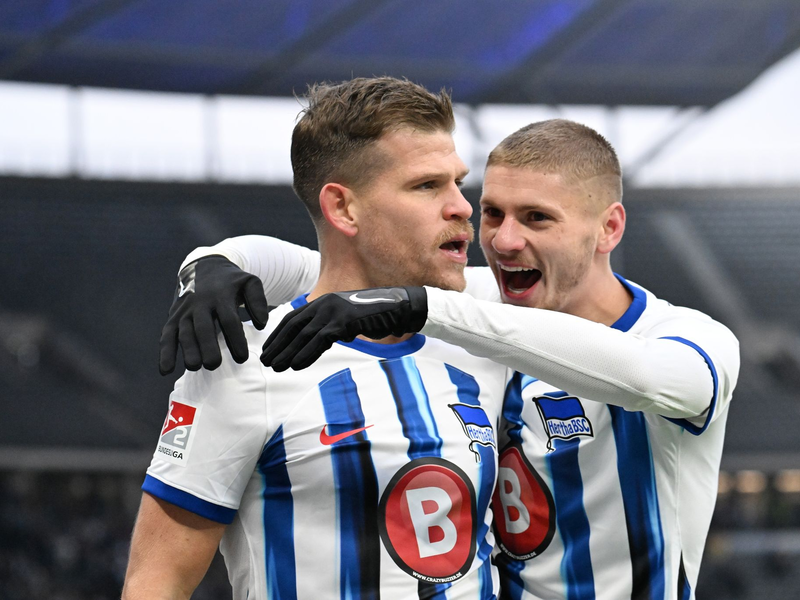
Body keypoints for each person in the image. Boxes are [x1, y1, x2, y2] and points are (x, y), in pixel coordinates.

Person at [161, 119, 740, 600]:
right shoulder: (490, 303)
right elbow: (321, 268)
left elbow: (646, 379)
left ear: (608, 227)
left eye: (536, 218)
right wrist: (211, 261)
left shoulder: (690, 340)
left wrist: (422, 306)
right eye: (492, 214)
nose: (505, 241)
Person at [123, 77, 513, 600]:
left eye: (458, 183)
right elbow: (158, 580)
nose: (462, 207)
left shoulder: (490, 333)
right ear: (343, 208)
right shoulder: (245, 362)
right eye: (426, 186)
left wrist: (213, 257)